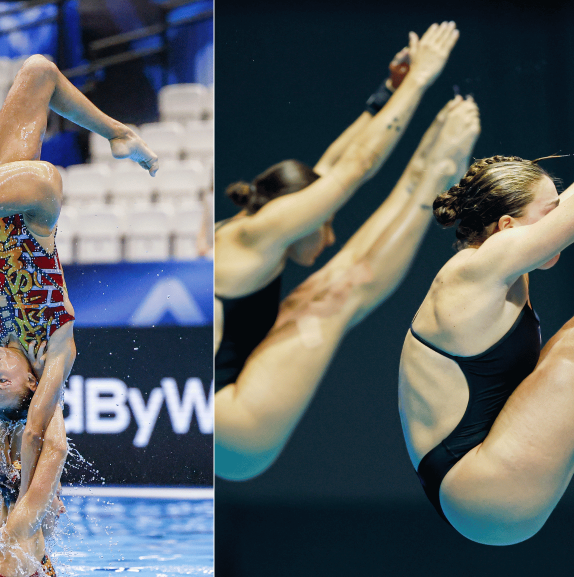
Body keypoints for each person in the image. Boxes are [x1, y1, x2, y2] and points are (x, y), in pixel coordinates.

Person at [214, 21, 469, 481]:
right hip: (231, 428)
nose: (327, 236)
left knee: (315, 296)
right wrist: (419, 80)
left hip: (229, 406)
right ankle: (435, 178)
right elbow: (355, 167)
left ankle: (430, 175)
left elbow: (331, 164)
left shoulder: (253, 227)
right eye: (324, 222)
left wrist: (386, 95)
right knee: (331, 301)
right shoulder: (261, 234)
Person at [0, 52, 158, 500]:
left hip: (2, 212)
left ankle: (120, 134)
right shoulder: (56, 352)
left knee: (39, 72)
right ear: (31, 383)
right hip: (35, 203)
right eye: (1, 380)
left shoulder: (1, 341)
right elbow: (34, 433)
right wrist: (23, 500)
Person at [398, 153, 574, 545]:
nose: (557, 220)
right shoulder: (473, 271)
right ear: (507, 227)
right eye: (550, 211)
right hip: (479, 490)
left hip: (473, 492)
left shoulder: (496, 272)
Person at [0, 408, 68, 577]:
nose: (63, 508)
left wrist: (0, 399)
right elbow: (56, 449)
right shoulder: (20, 533)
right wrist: (53, 390)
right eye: (56, 495)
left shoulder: (9, 526)